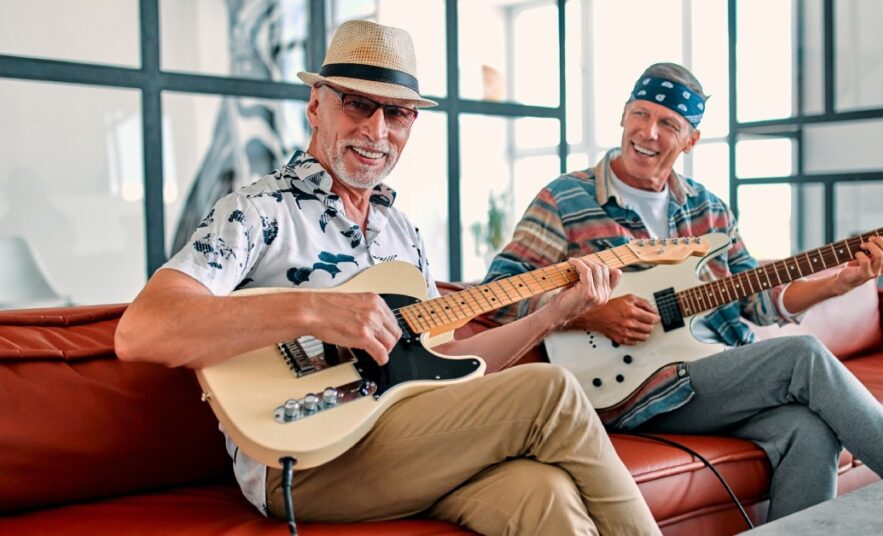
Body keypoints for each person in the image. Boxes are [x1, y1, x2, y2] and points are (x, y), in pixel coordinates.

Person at [115, 21, 661, 535]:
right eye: (358, 105)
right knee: (554, 390)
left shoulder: (401, 233)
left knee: (546, 495)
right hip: (306, 461)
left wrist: (554, 314)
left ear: (410, 125)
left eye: (396, 114)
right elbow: (140, 330)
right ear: (315, 105)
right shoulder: (258, 211)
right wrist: (313, 310)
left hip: (412, 438)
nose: (376, 130)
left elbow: (448, 369)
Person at [483, 62, 883, 521]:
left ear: (690, 140)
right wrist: (586, 313)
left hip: (705, 381)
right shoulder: (566, 198)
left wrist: (838, 283)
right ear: (623, 116)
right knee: (803, 356)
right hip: (623, 389)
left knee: (808, 432)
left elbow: (759, 301)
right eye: (640, 114)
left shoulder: (710, 210)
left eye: (668, 123)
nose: (648, 132)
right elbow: (498, 293)